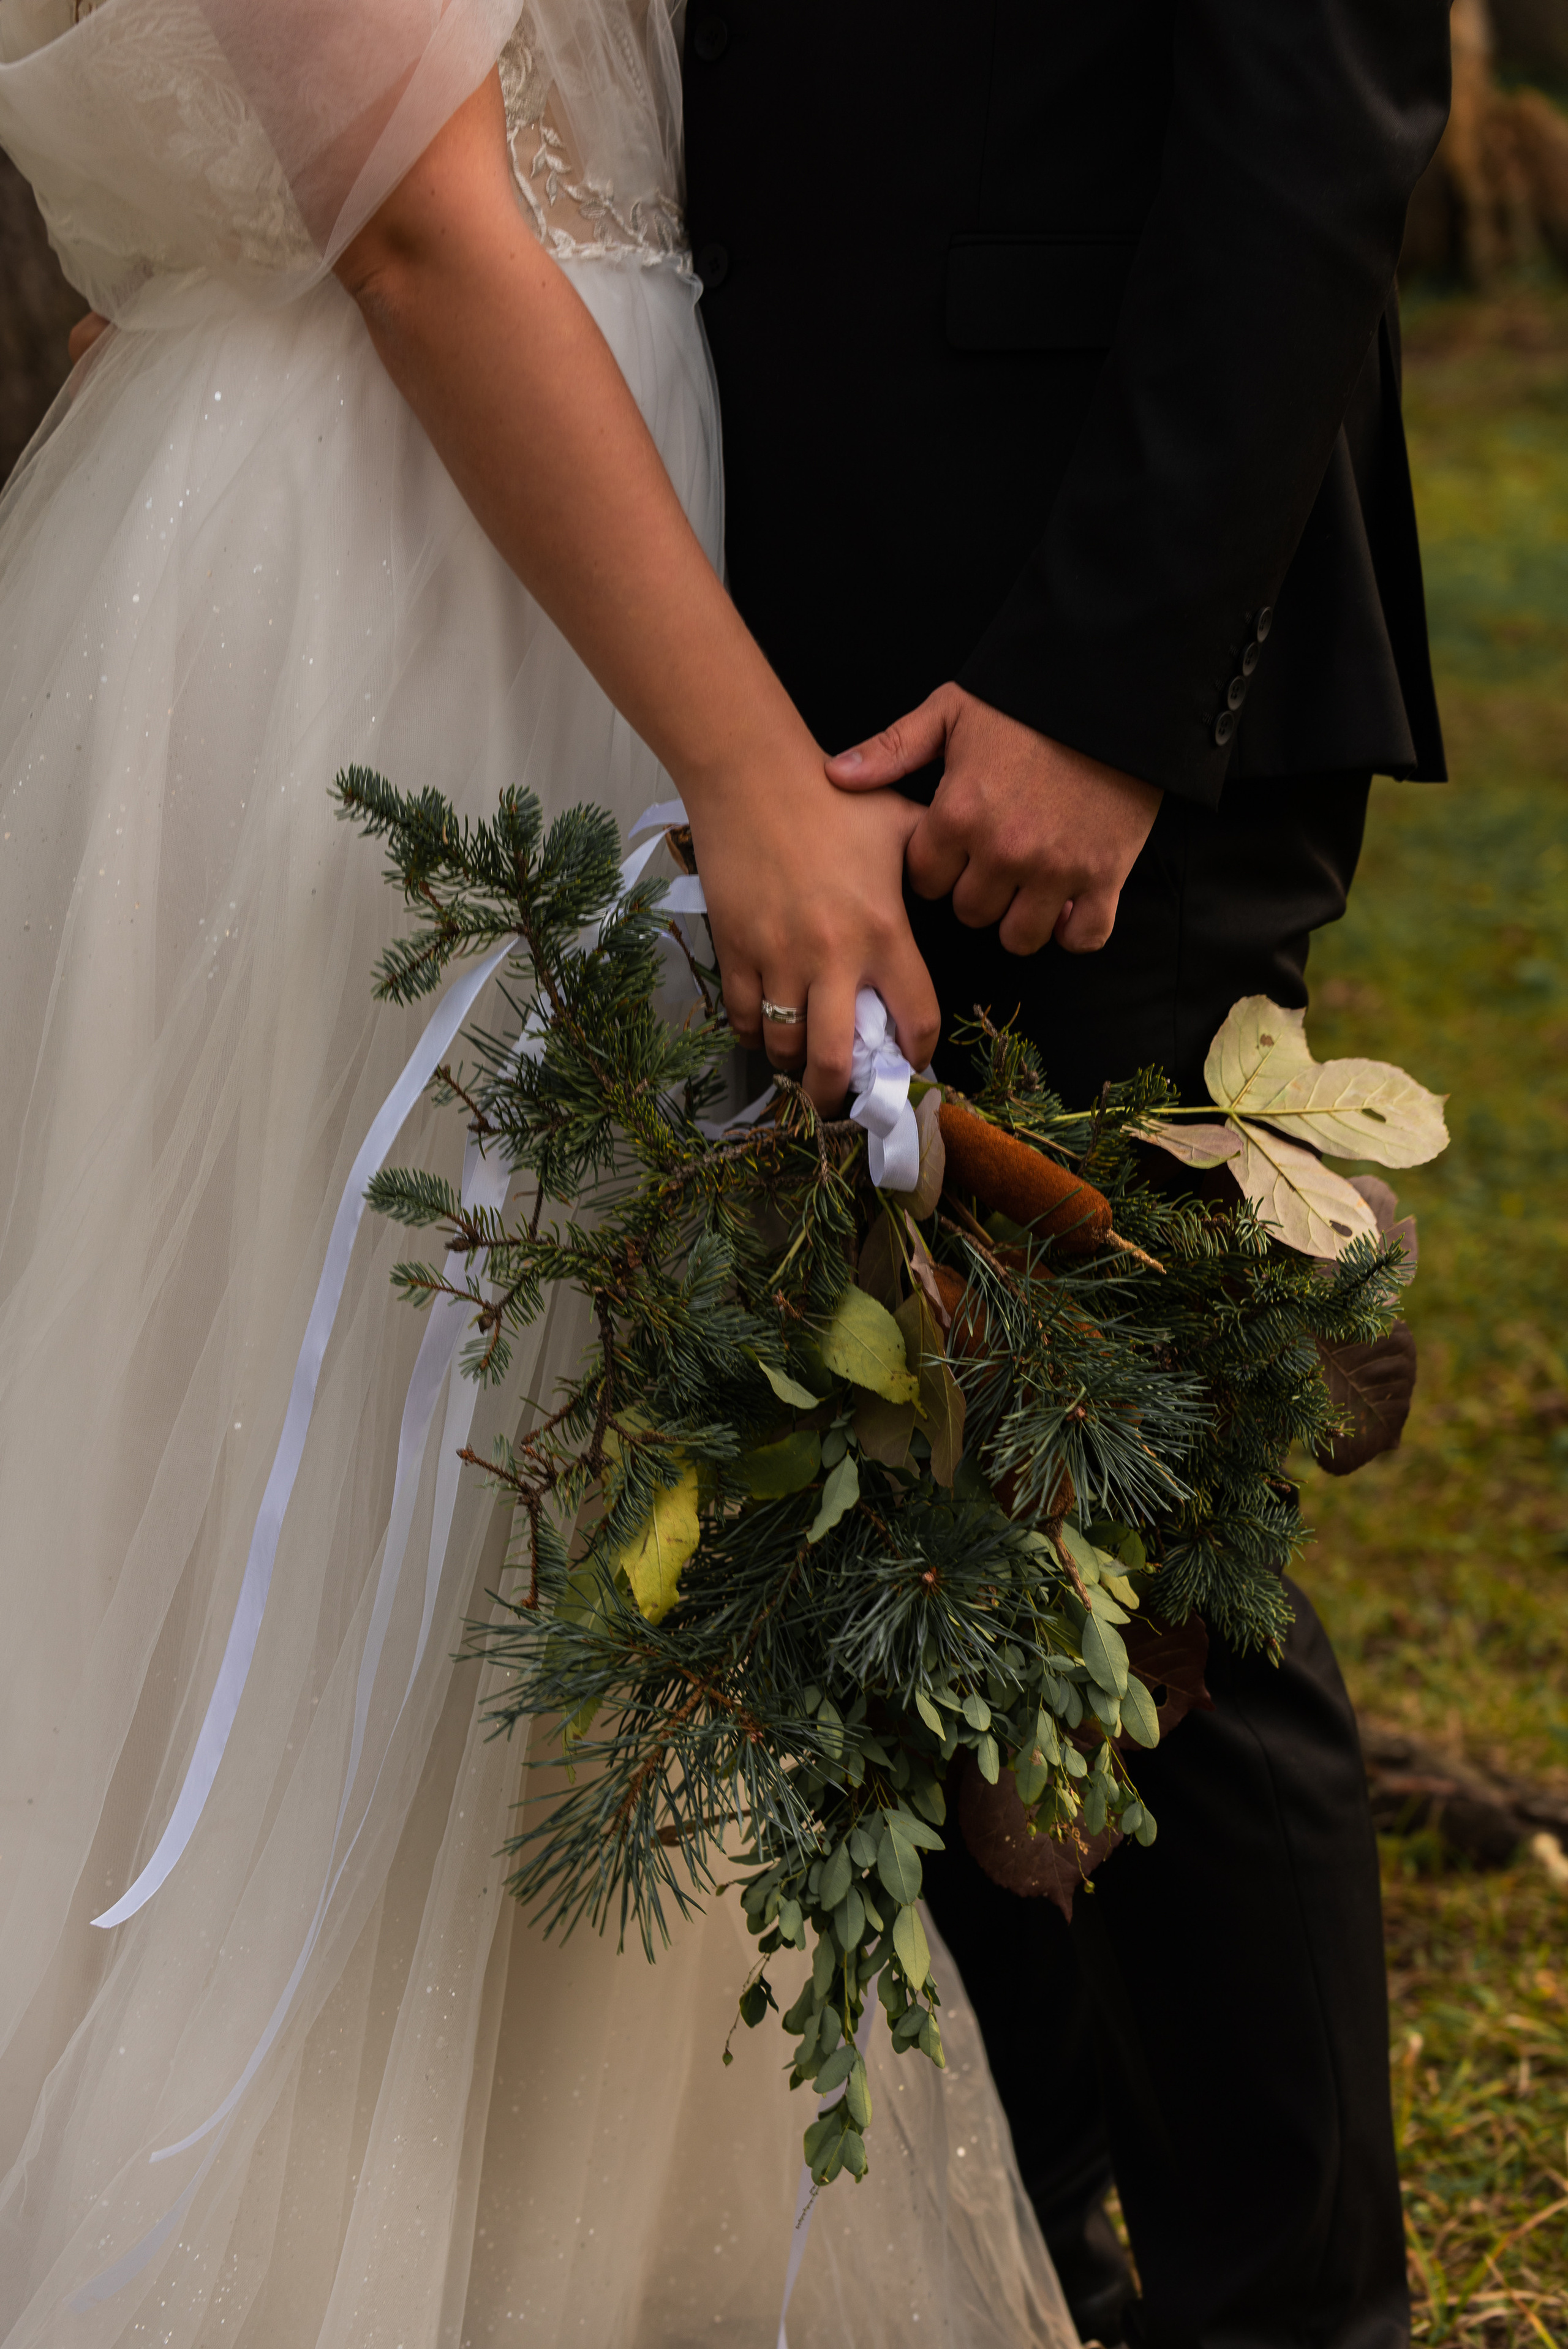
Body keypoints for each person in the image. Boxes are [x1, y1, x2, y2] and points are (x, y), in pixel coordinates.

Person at [0, 4, 1072, 2341]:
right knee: (349, 1481)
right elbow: (410, 214)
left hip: (526, 510)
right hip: (401, 564)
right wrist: (753, 773)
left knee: (504, 1481)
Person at [679, 3, 1450, 2343]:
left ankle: (1289, 2312)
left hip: (1078, 653)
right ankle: (1028, 2257)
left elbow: (1320, 97)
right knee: (897, 1493)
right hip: (777, 643)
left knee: (1150, 1562)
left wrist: (1113, 682)